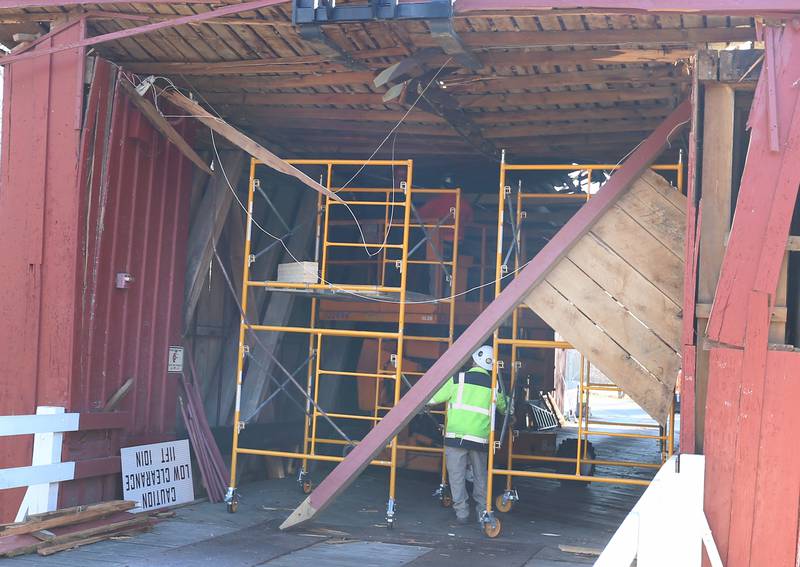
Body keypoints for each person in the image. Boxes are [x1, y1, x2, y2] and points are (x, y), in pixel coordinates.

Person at [426, 345, 508, 525]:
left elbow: (433, 399)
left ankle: (462, 513)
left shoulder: (457, 379)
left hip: (455, 437)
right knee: (480, 476)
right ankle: (482, 511)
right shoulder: (494, 385)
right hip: (480, 439)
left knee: (456, 476)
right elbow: (505, 408)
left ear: (472, 361)